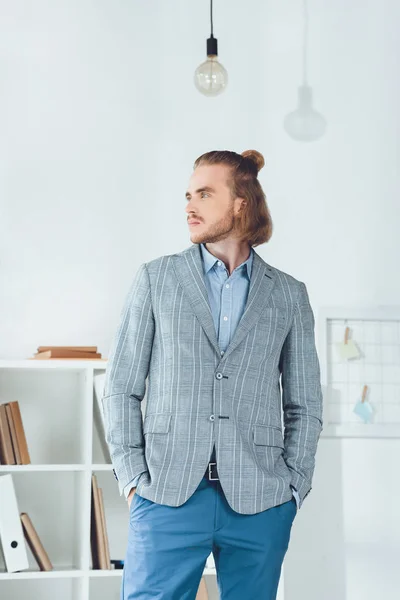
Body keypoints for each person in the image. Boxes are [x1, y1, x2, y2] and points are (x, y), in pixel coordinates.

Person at [102, 149, 323, 600]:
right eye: (188, 194)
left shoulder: (288, 295)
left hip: (260, 499)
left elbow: (304, 403)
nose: (190, 205)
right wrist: (132, 480)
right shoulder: (155, 279)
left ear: (241, 202)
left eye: (204, 193)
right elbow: (122, 388)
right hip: (165, 491)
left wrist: (293, 488)